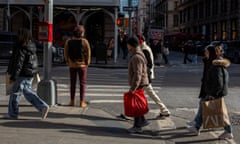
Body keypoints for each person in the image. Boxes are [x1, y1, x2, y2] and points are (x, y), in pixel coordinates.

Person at [187, 45, 234, 140]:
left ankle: (228, 131)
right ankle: (196, 126)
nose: (205, 54)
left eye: (207, 52)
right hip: (214, 92)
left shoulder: (216, 66)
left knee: (221, 113)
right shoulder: (215, 64)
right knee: (204, 107)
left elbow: (219, 82)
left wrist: (213, 94)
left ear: (211, 53)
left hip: (215, 93)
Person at [4, 28, 49, 119]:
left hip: (22, 74)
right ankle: (42, 106)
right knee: (27, 92)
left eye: (18, 34)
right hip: (29, 73)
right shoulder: (31, 45)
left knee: (15, 93)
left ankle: (13, 114)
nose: (17, 36)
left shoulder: (21, 47)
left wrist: (13, 76)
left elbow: (18, 63)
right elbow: (34, 61)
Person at [137, 34, 170, 118]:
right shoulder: (144, 48)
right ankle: (163, 110)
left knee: (149, 94)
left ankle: (164, 110)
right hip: (145, 76)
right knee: (143, 94)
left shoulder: (144, 50)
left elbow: (149, 64)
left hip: (145, 77)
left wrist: (143, 75)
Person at [126, 36, 150, 133]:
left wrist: (133, 88)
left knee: (135, 105)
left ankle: (137, 126)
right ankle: (143, 120)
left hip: (138, 84)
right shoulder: (137, 54)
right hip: (140, 83)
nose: (127, 46)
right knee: (138, 104)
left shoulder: (136, 57)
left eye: (128, 44)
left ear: (131, 45)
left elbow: (138, 74)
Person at [64, 25, 91, 107]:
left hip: (72, 65)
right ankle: (82, 102)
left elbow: (66, 53)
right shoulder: (85, 41)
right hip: (82, 65)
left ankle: (72, 101)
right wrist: (87, 63)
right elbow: (88, 53)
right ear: (82, 33)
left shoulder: (68, 41)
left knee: (72, 83)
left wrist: (68, 62)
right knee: (82, 84)